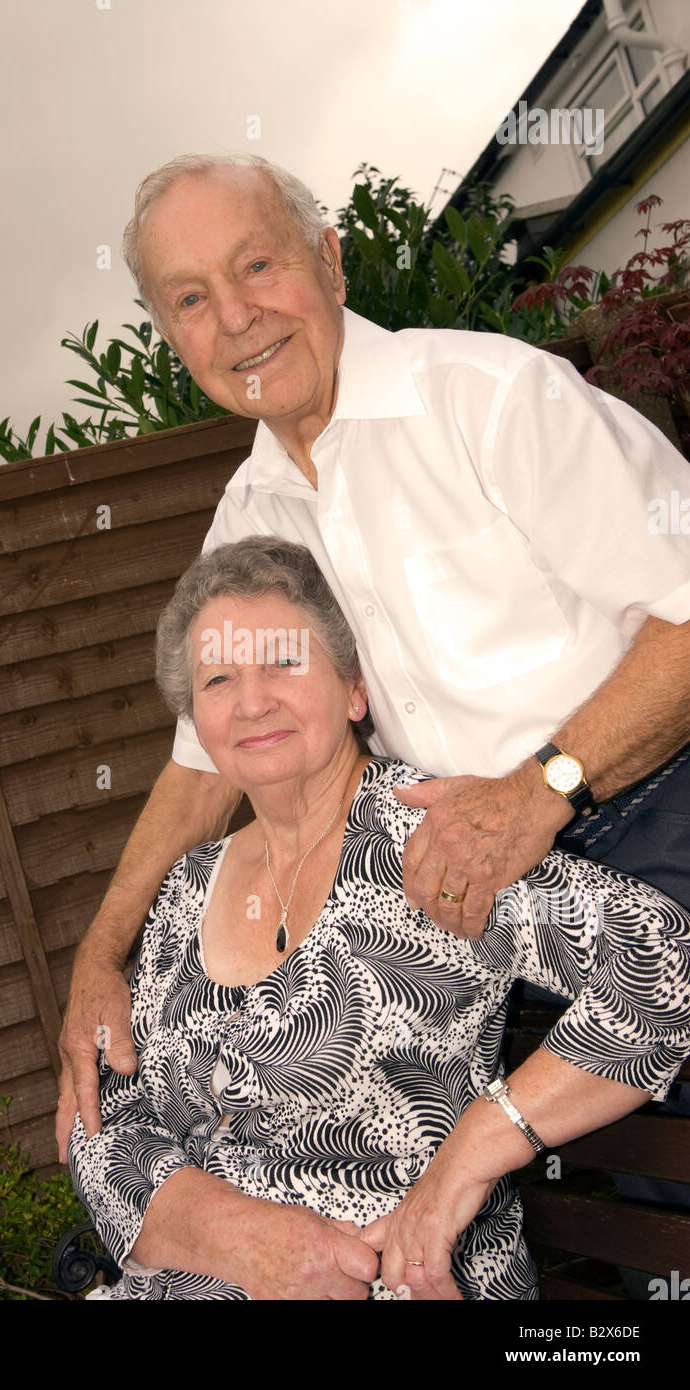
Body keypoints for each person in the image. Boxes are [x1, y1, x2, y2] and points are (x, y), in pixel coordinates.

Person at [56, 152, 690, 1161]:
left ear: (330, 262)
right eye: (191, 299)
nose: (237, 318)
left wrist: (539, 793)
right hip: (474, 887)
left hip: (654, 807)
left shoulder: (491, 398)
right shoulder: (247, 526)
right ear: (176, 339)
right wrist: (99, 955)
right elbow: (199, 767)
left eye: (258, 267)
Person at [68, 538, 690, 1300]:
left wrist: (478, 1148)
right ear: (198, 721)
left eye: (283, 664)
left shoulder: (433, 840)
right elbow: (102, 1112)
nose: (252, 700)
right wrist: (227, 1232)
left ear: (354, 690)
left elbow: (657, 955)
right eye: (220, 678)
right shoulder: (186, 889)